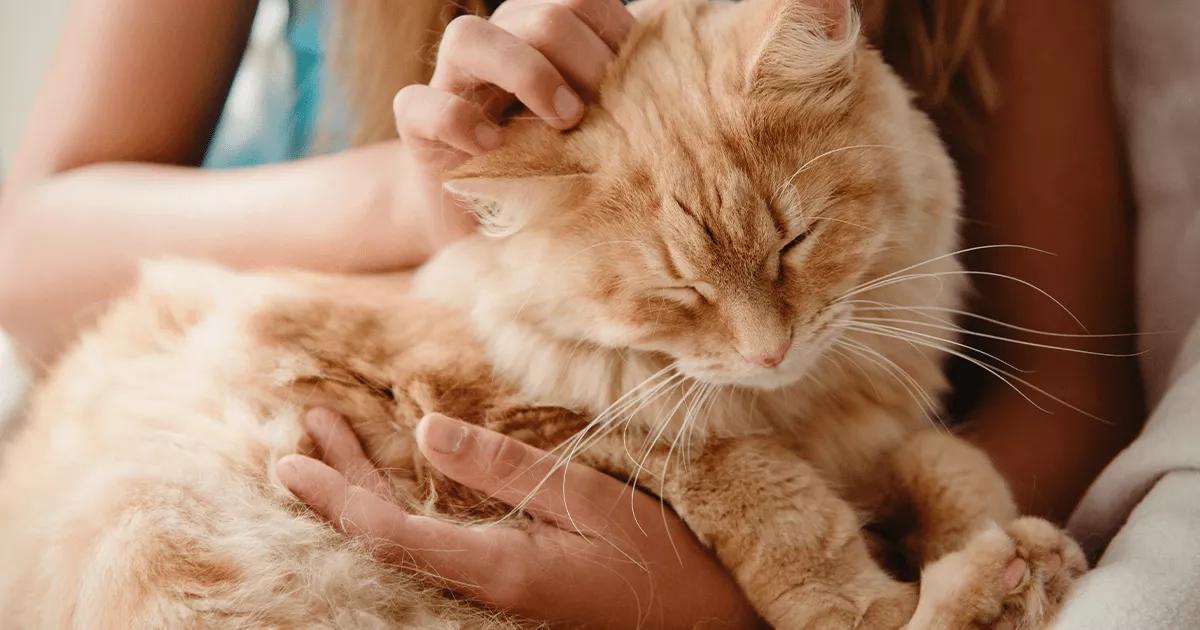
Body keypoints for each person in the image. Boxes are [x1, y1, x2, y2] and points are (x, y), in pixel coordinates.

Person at [0, 0, 1144, 627]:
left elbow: (1075, 381)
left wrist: (719, 594)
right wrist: (425, 194)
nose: (762, 344)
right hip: (282, 365)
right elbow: (27, 255)